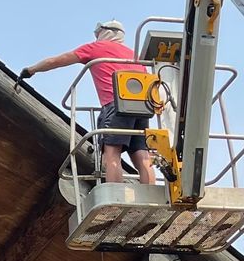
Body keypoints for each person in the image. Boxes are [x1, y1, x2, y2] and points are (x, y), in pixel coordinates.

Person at [20, 20, 158, 186]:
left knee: (111, 155)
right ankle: (150, 195)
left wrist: (31, 70)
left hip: (116, 105)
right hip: (142, 106)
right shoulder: (134, 55)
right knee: (142, 155)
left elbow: (56, 61)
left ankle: (117, 199)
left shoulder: (95, 48)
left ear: (103, 32)